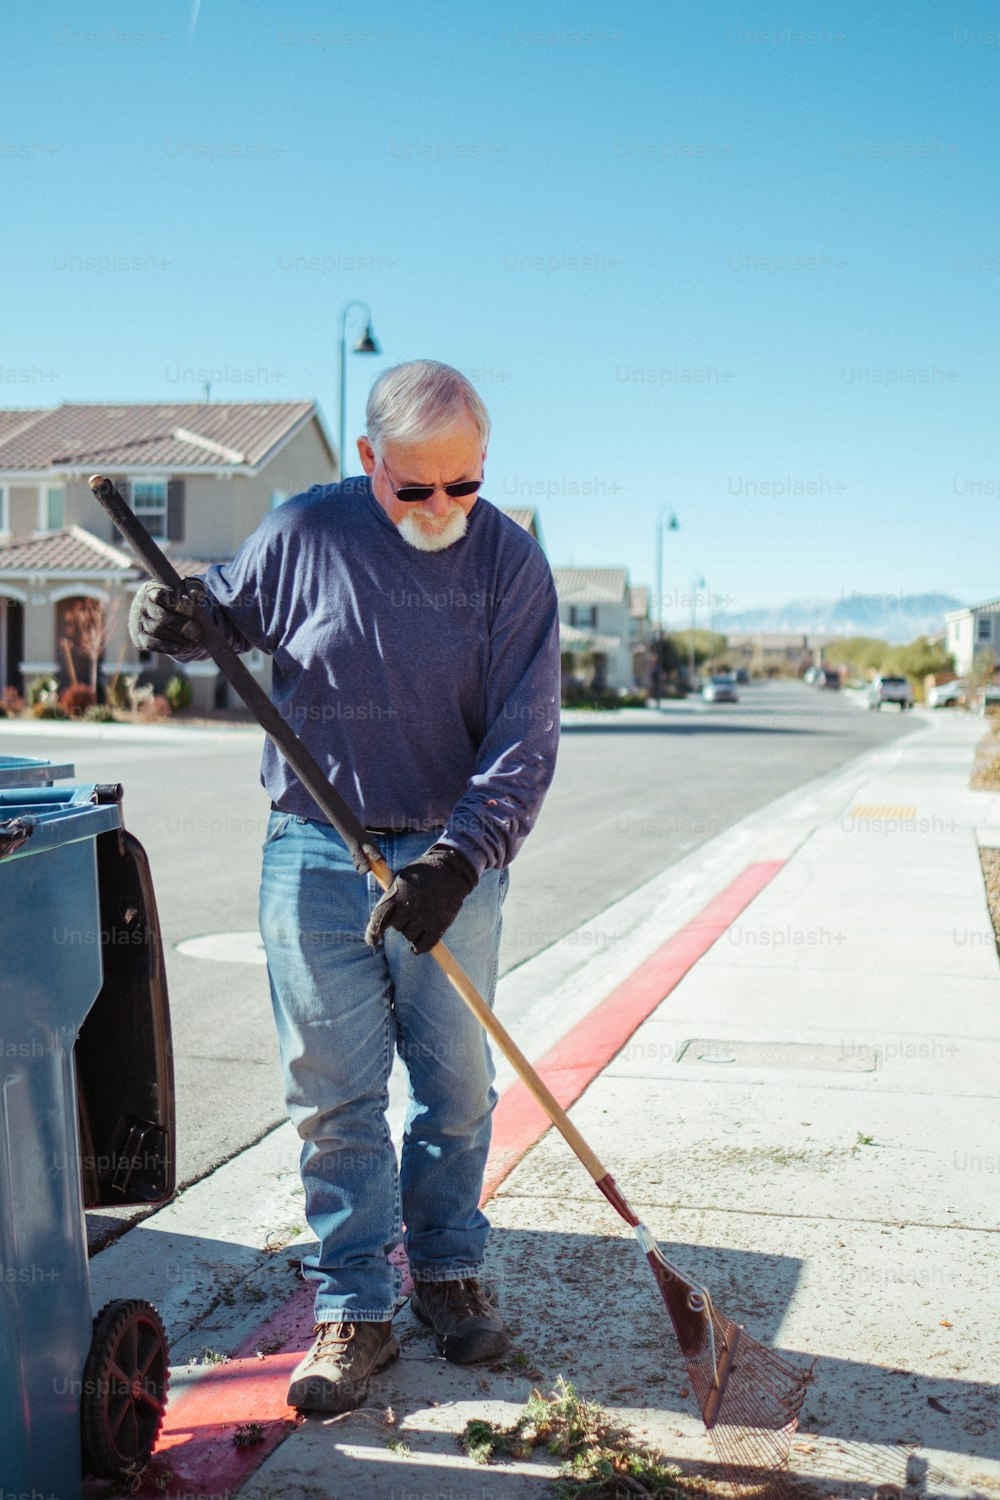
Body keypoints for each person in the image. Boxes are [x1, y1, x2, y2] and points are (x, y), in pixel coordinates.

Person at [129, 360, 561, 1412]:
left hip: (449, 859)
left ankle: (449, 1275)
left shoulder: (509, 563)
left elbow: (525, 734)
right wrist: (180, 623)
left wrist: (459, 860)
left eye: (464, 485)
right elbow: (222, 624)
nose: (442, 510)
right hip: (313, 852)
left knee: (456, 1090)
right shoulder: (303, 531)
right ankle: (355, 1305)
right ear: (368, 460)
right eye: (414, 488)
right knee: (333, 1098)